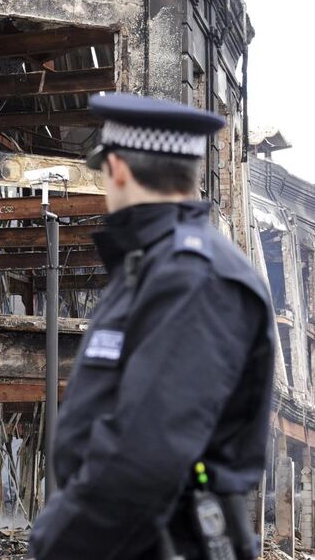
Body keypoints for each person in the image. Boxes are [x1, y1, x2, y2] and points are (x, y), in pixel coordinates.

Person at [28, 93, 275, 560]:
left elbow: (143, 457)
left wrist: (53, 547)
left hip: (166, 543)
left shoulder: (194, 277)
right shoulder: (154, 267)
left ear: (117, 167)